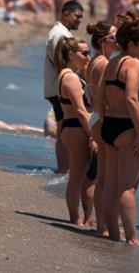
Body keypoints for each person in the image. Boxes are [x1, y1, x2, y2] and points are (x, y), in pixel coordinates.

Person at [101, 13, 139, 245]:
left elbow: (99, 96)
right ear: (131, 44)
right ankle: (132, 238)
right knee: (127, 187)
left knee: (111, 185)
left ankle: (113, 232)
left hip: (110, 125)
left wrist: (104, 118)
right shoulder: (133, 63)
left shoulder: (112, 62)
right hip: (128, 127)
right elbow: (132, 99)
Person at [53, 37, 94, 226]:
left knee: (79, 176)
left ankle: (83, 217)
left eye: (89, 53)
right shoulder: (70, 77)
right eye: (84, 53)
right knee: (78, 177)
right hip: (77, 129)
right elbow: (80, 110)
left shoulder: (68, 75)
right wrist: (93, 135)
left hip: (72, 129)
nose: (88, 56)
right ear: (71, 54)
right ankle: (76, 218)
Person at [86, 20, 120, 236]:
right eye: (114, 38)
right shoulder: (103, 64)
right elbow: (101, 98)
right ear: (102, 41)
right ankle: (104, 225)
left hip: (97, 118)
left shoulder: (97, 61)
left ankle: (102, 224)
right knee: (107, 180)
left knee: (103, 178)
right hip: (101, 118)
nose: (118, 42)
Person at [44, 0, 84, 173]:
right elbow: (61, 62)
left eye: (81, 17)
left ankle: (64, 168)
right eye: (77, 16)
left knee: (63, 127)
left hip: (56, 86)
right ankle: (63, 169)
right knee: (64, 128)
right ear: (65, 14)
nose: (79, 20)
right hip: (60, 87)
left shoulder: (60, 32)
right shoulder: (60, 34)